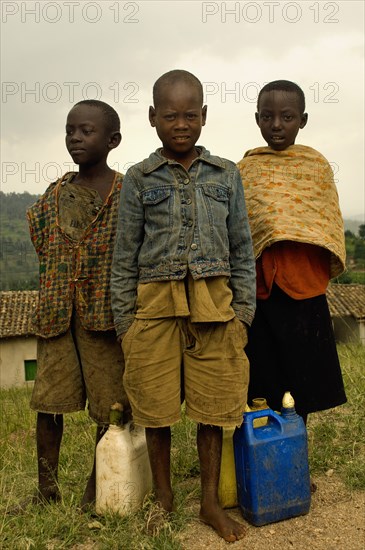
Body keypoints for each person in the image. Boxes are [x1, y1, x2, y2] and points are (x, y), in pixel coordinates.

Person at [111, 69, 256, 542]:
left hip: (216, 308)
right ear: (153, 117)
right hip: (153, 309)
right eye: (170, 115)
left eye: (190, 115)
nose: (180, 124)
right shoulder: (138, 179)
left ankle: (210, 503)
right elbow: (124, 257)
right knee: (155, 408)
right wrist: (125, 325)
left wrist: (244, 316)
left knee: (213, 408)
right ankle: (164, 499)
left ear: (204, 117)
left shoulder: (225, 174)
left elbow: (241, 250)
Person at [26, 99, 130, 510]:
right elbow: (40, 235)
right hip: (56, 316)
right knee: (48, 406)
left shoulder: (126, 194)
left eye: (86, 131)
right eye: (71, 130)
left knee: (110, 408)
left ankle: (96, 488)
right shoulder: (54, 196)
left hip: (104, 320)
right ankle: (46, 491)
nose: (75, 138)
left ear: (113, 140)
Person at [237, 80, 347, 425]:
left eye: (287, 117)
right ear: (257, 119)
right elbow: (239, 229)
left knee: (304, 385)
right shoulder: (246, 169)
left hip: (304, 287)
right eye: (267, 116)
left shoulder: (315, 166)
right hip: (260, 291)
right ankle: (266, 460)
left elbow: (326, 222)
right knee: (262, 382)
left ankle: (296, 463)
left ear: (303, 119)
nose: (276, 125)